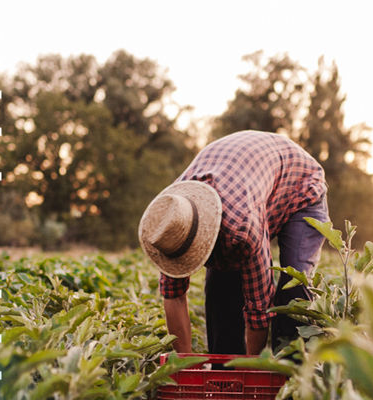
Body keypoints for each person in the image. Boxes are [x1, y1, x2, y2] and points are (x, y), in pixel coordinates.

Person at [137, 130, 330, 355]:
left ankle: (290, 375)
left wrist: (249, 367)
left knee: (293, 290)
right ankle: (223, 372)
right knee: (220, 292)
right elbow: (174, 296)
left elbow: (258, 311)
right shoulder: (170, 220)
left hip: (300, 184)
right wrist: (184, 364)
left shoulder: (241, 228)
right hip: (248, 180)